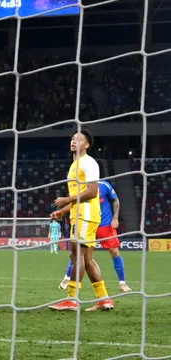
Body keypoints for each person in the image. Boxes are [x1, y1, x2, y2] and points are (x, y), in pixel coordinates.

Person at [49, 130, 113, 312]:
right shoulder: (76, 164)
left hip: (85, 215)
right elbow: (80, 195)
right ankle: (104, 299)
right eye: (72, 138)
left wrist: (66, 200)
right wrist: (63, 211)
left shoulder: (88, 162)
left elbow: (92, 192)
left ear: (87, 145)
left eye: (79, 139)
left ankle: (72, 299)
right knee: (87, 258)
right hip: (82, 213)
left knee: (77, 256)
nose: (74, 141)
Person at [60, 180, 131, 292]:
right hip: (88, 223)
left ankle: (123, 283)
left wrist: (115, 218)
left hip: (105, 223)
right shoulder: (80, 186)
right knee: (80, 253)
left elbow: (115, 200)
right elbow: (74, 204)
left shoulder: (104, 185)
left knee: (114, 251)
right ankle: (67, 278)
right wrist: (62, 211)